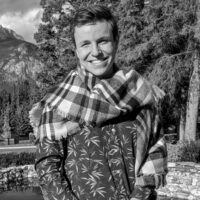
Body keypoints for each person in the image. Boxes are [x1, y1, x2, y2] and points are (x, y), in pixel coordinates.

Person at [29, 5, 167, 200]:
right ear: (75, 50)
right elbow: (47, 168)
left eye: (103, 41)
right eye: (85, 44)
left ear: (116, 41)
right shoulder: (59, 102)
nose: (95, 52)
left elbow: (154, 155)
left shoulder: (139, 94)